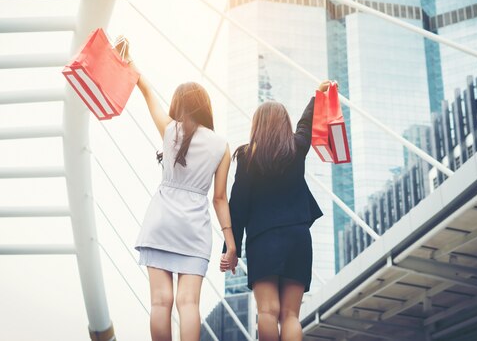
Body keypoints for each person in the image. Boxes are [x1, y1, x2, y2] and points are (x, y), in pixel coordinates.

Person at [220, 81, 332, 341]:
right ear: (285, 124)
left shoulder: (247, 157)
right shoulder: (296, 147)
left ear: (256, 126)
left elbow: (238, 206)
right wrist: (318, 95)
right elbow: (306, 125)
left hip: (264, 240)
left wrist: (230, 249)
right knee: (291, 315)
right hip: (298, 237)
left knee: (267, 312)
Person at [133, 69, 238, 341]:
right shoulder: (221, 145)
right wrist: (231, 242)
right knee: (188, 303)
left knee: (160, 302)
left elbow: (147, 92)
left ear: (178, 104)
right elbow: (219, 198)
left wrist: (130, 63)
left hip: (161, 221)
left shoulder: (169, 131)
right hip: (194, 228)